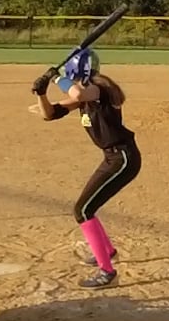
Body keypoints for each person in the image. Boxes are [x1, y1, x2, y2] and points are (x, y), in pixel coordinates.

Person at [33, 49, 141, 289]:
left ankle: (107, 272)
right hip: (113, 158)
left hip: (123, 158)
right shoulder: (85, 95)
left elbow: (79, 92)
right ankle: (108, 251)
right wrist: (41, 94)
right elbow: (49, 114)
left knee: (82, 210)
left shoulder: (98, 89)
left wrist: (56, 78)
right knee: (87, 208)